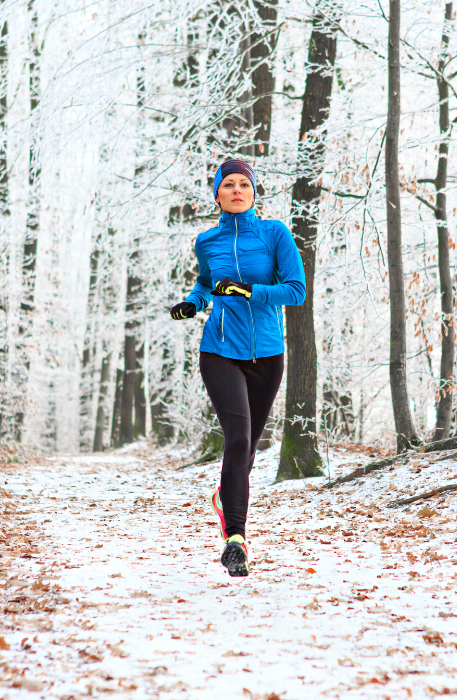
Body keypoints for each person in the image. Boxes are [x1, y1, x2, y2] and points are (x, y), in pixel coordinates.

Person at [169, 159, 306, 577]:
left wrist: (249, 290)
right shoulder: (207, 241)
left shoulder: (274, 234)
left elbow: (296, 291)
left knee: (246, 450)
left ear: (253, 193)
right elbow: (206, 283)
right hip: (220, 351)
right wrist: (195, 302)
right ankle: (235, 540)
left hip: (267, 354)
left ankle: (225, 498)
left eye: (244, 184)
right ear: (217, 195)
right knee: (239, 438)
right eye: (227, 184)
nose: (236, 190)